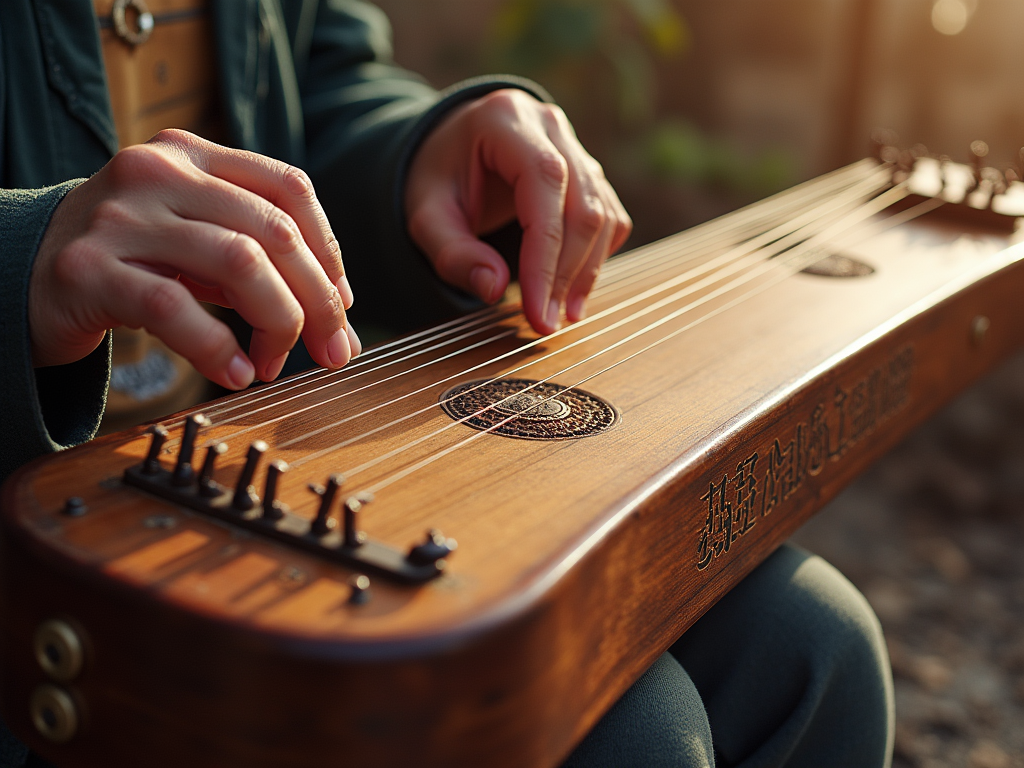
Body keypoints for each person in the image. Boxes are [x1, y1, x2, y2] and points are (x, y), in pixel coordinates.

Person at [0, 1, 895, 766]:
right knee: (631, 737)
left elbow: (318, 80)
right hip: (37, 567)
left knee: (811, 650)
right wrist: (26, 258)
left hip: (266, 455)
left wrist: (422, 152)